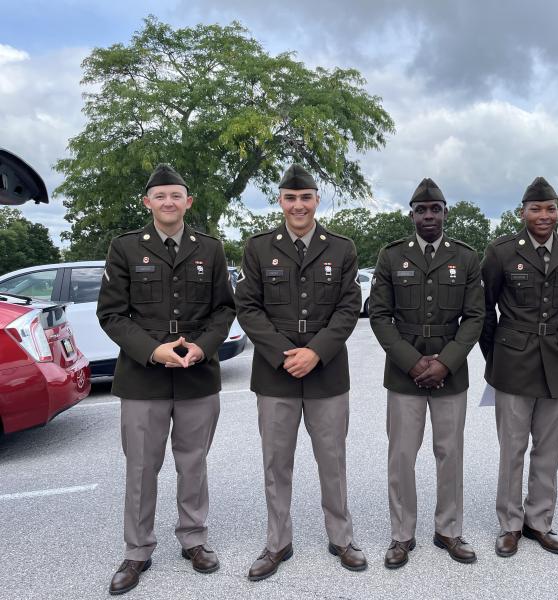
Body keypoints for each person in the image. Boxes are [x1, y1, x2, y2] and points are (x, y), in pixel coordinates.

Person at [97, 164, 235, 595]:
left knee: (193, 462)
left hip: (197, 375)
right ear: (148, 203)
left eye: (176, 195)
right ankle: (137, 550)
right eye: (160, 196)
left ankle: (194, 540)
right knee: (141, 467)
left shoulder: (209, 250)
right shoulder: (124, 248)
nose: (169, 202)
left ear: (188, 201)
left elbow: (224, 310)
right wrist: (152, 350)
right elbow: (112, 313)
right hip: (143, 377)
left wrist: (203, 346)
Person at [234, 164, 366, 580]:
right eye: (290, 198)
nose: (298, 205)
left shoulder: (341, 248)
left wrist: (316, 352)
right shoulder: (259, 248)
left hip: (326, 373)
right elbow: (248, 307)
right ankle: (277, 543)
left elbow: (349, 308)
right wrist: (284, 353)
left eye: (305, 197)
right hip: (276, 373)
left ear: (316, 200)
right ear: (280, 201)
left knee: (333, 460)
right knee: (276, 463)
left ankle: (341, 538)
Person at [369, 178, 484, 568]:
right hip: (405, 373)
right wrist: (412, 362)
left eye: (435, 209)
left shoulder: (466, 258)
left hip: (451, 372)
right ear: (412, 214)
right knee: (401, 455)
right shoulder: (391, 256)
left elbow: (475, 317)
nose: (429, 215)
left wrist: (445, 362)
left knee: (449, 453)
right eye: (422, 209)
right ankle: (402, 534)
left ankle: (449, 530)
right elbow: (379, 316)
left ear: (445, 213)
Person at [480, 176, 558, 558]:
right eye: (536, 208)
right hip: (513, 361)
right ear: (522, 212)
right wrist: (494, 356)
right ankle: (509, 524)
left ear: (557, 211)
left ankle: (539, 522)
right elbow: (484, 311)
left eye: (550, 208)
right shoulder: (500, 252)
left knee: (549, 449)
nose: (544, 215)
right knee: (512, 448)